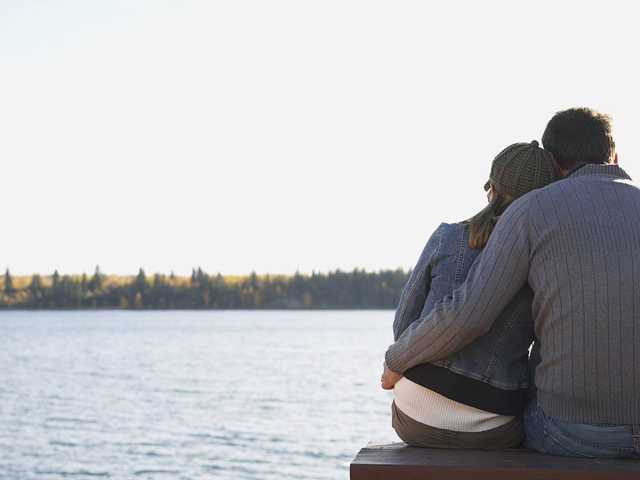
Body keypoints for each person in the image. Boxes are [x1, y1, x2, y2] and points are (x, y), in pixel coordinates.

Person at [382, 107, 640, 459]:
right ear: (616, 157)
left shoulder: (530, 212)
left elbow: (469, 314)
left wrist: (397, 359)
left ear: (552, 164)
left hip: (566, 432)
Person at [384, 141, 556, 449]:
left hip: (414, 417)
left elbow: (404, 325)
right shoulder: (545, 259)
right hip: (494, 424)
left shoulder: (447, 236)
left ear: (492, 186)